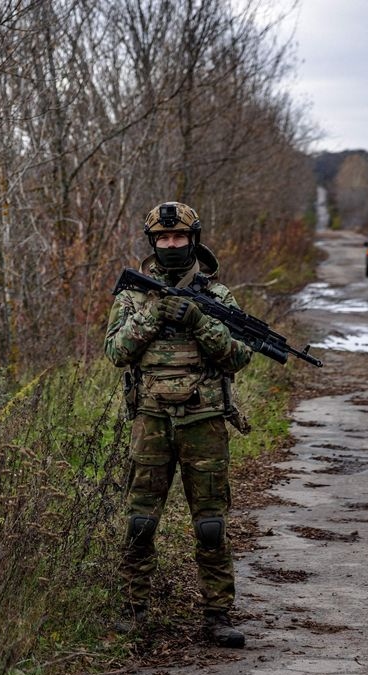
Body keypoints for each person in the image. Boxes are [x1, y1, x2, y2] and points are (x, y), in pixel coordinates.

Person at [104, 201, 253, 647]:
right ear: (153, 242)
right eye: (164, 239)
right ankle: (133, 610)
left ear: (194, 240)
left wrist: (198, 321)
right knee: (141, 521)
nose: (172, 245)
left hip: (204, 421)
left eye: (180, 238)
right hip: (150, 420)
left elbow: (240, 354)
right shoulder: (132, 295)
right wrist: (154, 315)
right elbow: (116, 352)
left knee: (211, 524)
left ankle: (217, 614)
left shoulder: (217, 295)